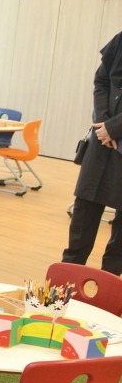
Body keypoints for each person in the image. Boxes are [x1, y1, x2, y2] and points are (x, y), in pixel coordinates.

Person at [63, 30, 122, 273]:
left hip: (111, 132)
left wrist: (113, 127)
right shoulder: (120, 40)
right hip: (102, 139)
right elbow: (102, 81)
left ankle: (110, 289)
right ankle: (67, 280)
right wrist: (103, 122)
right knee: (84, 211)